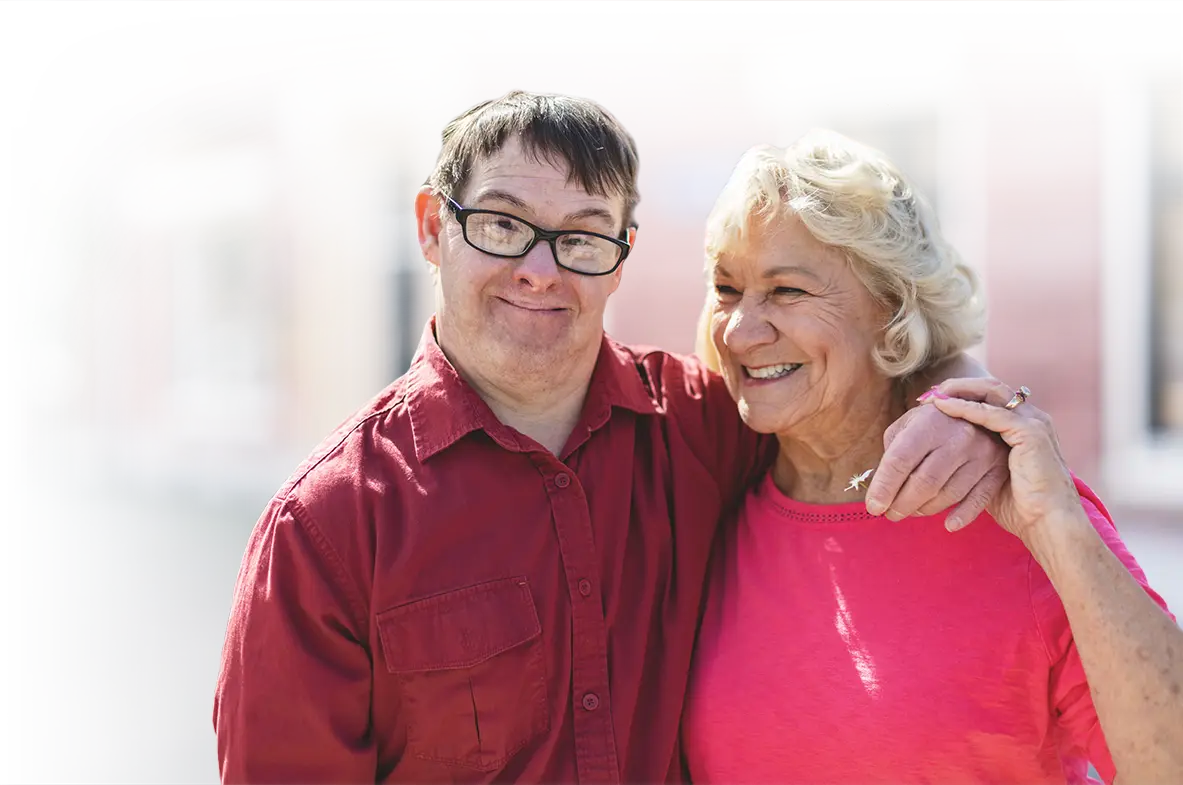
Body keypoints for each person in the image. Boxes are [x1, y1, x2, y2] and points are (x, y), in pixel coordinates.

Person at [212, 91, 1008, 784]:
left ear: (621, 257)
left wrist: (955, 402)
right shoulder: (325, 528)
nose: (539, 269)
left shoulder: (703, 424)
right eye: (500, 224)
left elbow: (864, 366)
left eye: (582, 237)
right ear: (431, 226)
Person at [683, 127, 1183, 784]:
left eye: (786, 290)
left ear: (889, 307)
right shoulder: (699, 498)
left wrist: (1059, 528)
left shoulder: (1011, 511)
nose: (742, 330)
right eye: (726, 288)